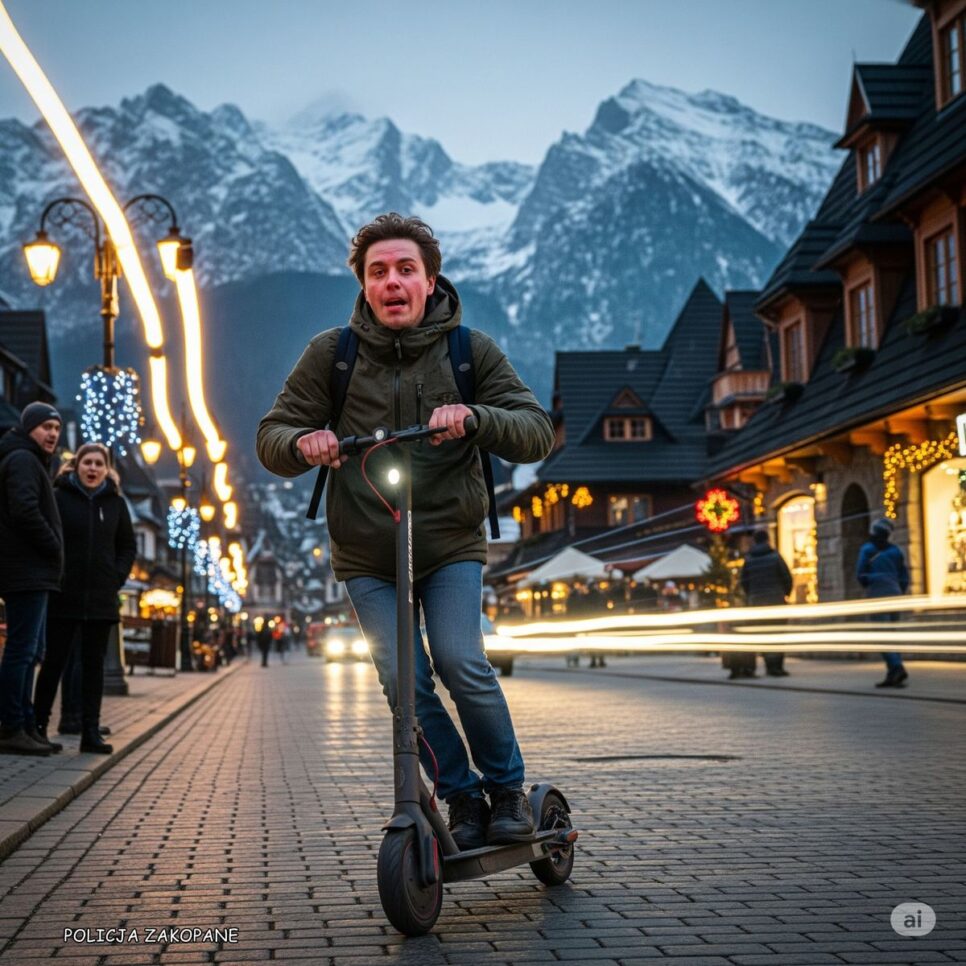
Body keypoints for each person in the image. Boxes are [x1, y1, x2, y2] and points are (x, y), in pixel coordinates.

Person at [257, 212, 554, 850]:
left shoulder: (469, 352)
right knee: (404, 679)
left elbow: (535, 430)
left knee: (458, 659)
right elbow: (270, 437)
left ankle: (506, 788)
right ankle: (460, 794)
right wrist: (305, 441)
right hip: (366, 548)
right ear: (364, 285)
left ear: (430, 279)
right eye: (378, 272)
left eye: (405, 270)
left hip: (449, 540)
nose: (392, 282)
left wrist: (475, 416)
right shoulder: (331, 355)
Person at [33, 443, 136, 754]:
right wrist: (58, 574)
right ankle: (39, 726)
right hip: (65, 595)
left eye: (98, 464)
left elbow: (127, 547)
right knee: (54, 663)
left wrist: (114, 577)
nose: (93, 469)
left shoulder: (115, 503)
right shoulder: (60, 498)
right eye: (87, 463)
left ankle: (90, 731)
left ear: (107, 469)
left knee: (94, 667)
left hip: (101, 599)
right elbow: (48, 537)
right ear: (76, 466)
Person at [0, 402, 64, 756]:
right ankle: (12, 726)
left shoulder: (30, 459)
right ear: (29, 429)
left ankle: (24, 724)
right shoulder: (24, 460)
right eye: (45, 427)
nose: (52, 433)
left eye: (56, 427)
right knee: (22, 652)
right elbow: (24, 510)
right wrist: (53, 545)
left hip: (32, 570)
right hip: (25, 569)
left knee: (31, 651)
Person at [856, 517, 909, 688]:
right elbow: (904, 576)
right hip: (894, 594)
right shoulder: (895, 551)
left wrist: (870, 582)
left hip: (877, 595)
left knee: (881, 635)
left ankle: (896, 667)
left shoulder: (867, 549)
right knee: (892, 634)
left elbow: (860, 573)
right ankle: (892, 674)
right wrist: (899, 589)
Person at [738, 529, 793, 678]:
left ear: (754, 541)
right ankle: (775, 667)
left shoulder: (749, 559)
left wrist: (751, 596)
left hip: (756, 603)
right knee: (777, 634)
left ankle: (761, 664)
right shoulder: (775, 557)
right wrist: (785, 594)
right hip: (776, 602)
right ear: (768, 540)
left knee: (760, 634)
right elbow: (787, 578)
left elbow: (743, 581)